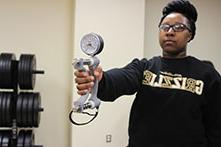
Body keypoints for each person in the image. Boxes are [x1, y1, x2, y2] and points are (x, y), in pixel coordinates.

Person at [74, 0, 221, 146]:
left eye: (178, 27)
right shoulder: (145, 67)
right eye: (165, 27)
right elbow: (122, 78)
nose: (170, 32)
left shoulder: (207, 75)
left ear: (190, 35)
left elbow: (216, 127)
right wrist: (100, 79)